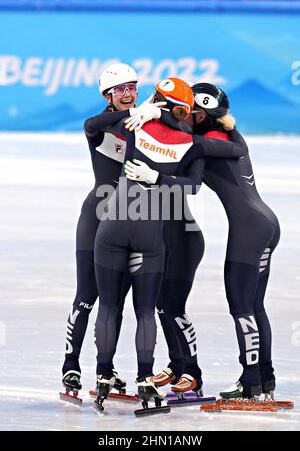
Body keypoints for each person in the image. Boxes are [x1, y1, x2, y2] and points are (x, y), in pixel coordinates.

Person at [92, 77, 248, 410]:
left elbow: (233, 150)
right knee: (159, 306)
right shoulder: (174, 135)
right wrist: (146, 112)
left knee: (170, 307)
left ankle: (191, 370)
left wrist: (147, 115)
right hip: (156, 234)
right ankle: (176, 367)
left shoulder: (190, 139)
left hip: (183, 240)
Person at [133, 83, 280, 400]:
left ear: (202, 115)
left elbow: (183, 137)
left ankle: (250, 380)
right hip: (266, 223)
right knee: (254, 305)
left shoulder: (205, 142)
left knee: (241, 307)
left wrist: (155, 111)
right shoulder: (226, 133)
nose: (187, 116)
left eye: (193, 113)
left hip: (248, 230)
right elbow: (238, 146)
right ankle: (264, 377)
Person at [61, 63, 161, 396]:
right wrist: (135, 111)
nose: (128, 93)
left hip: (133, 217)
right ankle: (71, 364)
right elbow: (90, 123)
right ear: (107, 95)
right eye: (120, 89)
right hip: (98, 216)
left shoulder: (144, 125)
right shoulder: (102, 125)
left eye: (132, 87)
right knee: (88, 297)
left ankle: (107, 368)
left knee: (117, 301)